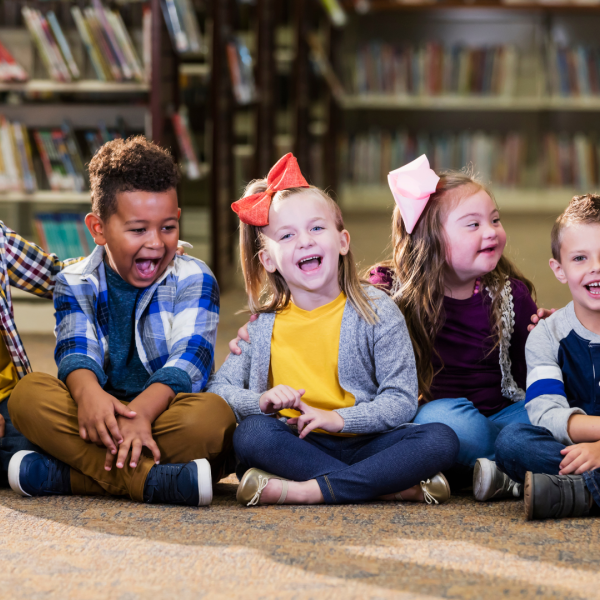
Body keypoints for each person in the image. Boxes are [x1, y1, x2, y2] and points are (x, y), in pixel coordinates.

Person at [207, 153, 459, 507]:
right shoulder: (262, 325)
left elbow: (401, 401)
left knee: (440, 439)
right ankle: (381, 486)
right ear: (268, 260)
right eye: (287, 235)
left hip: (365, 438)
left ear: (342, 242)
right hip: (296, 442)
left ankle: (310, 490)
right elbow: (220, 388)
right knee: (251, 436)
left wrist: (339, 418)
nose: (305, 241)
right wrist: (260, 401)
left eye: (316, 228)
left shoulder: (377, 310)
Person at [7, 136, 236, 507]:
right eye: (138, 230)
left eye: (167, 227)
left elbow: (191, 361)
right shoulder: (75, 280)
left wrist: (141, 414)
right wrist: (89, 396)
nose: (156, 243)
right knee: (28, 396)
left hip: (165, 412)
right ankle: (153, 481)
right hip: (99, 415)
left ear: (178, 219)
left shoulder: (195, 276)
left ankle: (68, 477)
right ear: (98, 229)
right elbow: (74, 351)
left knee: (212, 419)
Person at [365, 156, 546, 502]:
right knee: (446, 423)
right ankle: (516, 462)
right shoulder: (389, 290)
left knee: (545, 414)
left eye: (495, 220)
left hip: (504, 412)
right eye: (473, 225)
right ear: (430, 239)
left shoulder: (510, 294)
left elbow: (531, 374)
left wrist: (549, 336)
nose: (491, 231)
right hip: (437, 415)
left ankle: (494, 467)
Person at [494, 194, 600, 520]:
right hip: (575, 442)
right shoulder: (546, 334)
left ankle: (582, 493)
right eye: (580, 258)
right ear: (559, 269)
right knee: (512, 442)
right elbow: (546, 414)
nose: (596, 268)